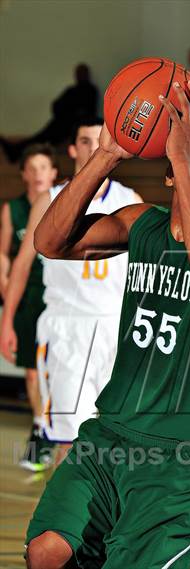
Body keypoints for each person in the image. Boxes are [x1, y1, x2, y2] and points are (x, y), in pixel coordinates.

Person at [24, 81, 190, 568]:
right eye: (187, 142)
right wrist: (107, 156)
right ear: (165, 176)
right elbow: (49, 243)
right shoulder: (141, 223)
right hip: (112, 434)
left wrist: (182, 157)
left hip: (183, 459)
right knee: (46, 551)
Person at [1, 117, 141, 468]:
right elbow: (20, 266)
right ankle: (66, 520)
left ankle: (103, 517)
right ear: (72, 148)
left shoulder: (131, 200)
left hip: (113, 327)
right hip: (67, 327)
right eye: (84, 141)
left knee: (113, 436)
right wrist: (7, 321)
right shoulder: (49, 199)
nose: (93, 147)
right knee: (69, 440)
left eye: (99, 140)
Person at [0, 144, 58, 471]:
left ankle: (62, 429)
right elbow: (4, 254)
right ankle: (40, 429)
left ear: (53, 174)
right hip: (28, 294)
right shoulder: (14, 209)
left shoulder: (60, 202)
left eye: (43, 168)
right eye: (31, 168)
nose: (37, 174)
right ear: (23, 174)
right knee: (33, 370)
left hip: (57, 294)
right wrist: (6, 286)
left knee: (56, 368)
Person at [1, 63, 98, 162]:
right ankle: (15, 151)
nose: (79, 76)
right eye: (78, 73)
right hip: (60, 122)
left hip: (69, 126)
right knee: (40, 137)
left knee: (42, 139)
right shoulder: (71, 90)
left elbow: (87, 113)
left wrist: (69, 113)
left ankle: (15, 151)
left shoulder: (90, 90)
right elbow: (56, 105)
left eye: (82, 73)